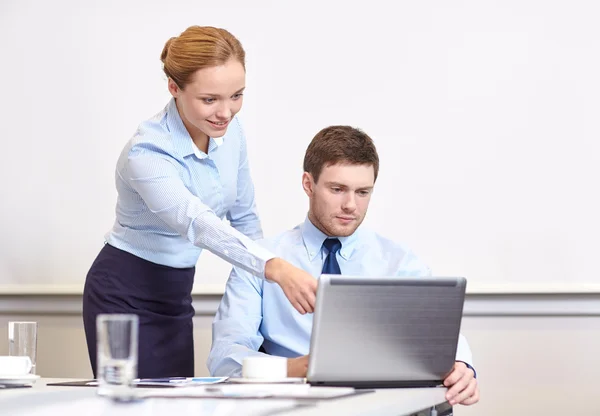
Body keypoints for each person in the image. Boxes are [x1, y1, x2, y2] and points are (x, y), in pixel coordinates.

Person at [82, 26, 317, 378]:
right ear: (174, 88)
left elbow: (245, 216)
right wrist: (276, 268)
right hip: (123, 293)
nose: (226, 112)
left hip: (176, 295)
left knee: (178, 405)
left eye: (236, 96)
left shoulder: (231, 133)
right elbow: (197, 223)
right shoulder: (146, 152)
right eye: (210, 99)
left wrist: (262, 288)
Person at [208, 125, 480, 406]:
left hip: (382, 407)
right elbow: (225, 357)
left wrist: (462, 365)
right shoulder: (262, 261)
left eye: (363, 192)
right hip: (291, 405)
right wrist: (297, 368)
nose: (351, 205)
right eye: (337, 189)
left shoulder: (398, 262)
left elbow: (438, 335)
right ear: (308, 184)